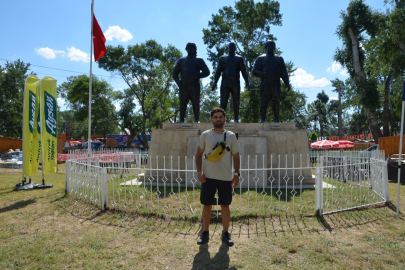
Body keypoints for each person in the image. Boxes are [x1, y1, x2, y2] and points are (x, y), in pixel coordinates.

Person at [195, 107, 240, 246]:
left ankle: (226, 234)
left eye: (221, 117)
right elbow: (198, 154)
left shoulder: (231, 136)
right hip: (208, 177)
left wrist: (237, 174)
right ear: (211, 119)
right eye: (216, 117)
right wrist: (199, 172)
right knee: (207, 205)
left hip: (225, 177)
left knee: (225, 206)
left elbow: (236, 155)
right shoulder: (205, 135)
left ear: (225, 119)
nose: (218, 119)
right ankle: (205, 233)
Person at [252, 40, 290, 123]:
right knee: (263, 101)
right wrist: (263, 74)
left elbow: (283, 72)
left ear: (274, 47)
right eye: (269, 46)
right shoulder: (261, 58)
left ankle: (277, 119)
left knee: (276, 101)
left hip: (276, 84)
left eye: (273, 46)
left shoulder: (279, 58)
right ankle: (262, 119)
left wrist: (287, 83)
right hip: (265, 83)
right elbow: (254, 71)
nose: (271, 47)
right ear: (266, 47)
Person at [212, 42, 250, 123]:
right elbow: (218, 71)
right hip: (225, 82)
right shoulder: (222, 58)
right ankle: (222, 119)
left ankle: (236, 119)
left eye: (233, 46)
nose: (232, 48)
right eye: (230, 46)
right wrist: (215, 82)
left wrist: (247, 82)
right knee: (223, 102)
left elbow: (244, 71)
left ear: (235, 48)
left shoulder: (239, 58)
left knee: (236, 101)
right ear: (228, 48)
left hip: (235, 82)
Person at [172, 42, 210, 123]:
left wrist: (198, 75)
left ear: (195, 49)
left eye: (192, 47)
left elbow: (207, 72)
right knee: (183, 102)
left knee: (195, 102)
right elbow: (174, 73)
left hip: (195, 85)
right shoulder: (181, 60)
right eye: (188, 47)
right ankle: (181, 119)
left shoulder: (199, 60)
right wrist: (179, 83)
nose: (190, 49)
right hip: (184, 85)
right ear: (186, 49)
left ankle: (197, 119)